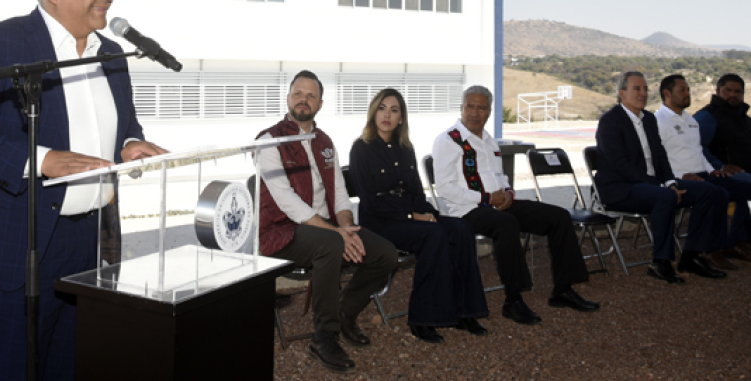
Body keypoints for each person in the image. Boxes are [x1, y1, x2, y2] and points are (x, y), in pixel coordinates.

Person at [0, 0, 166, 381]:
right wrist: (41, 160)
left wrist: (129, 144)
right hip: (23, 238)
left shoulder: (111, 54)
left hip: (89, 238)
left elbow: (125, 124)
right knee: (18, 369)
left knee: (73, 364)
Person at [256, 70, 397, 373]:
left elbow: (340, 194)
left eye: (311, 95)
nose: (303, 100)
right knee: (331, 244)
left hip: (329, 230)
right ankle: (323, 337)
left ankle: (344, 313)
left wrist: (345, 227)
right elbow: (287, 202)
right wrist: (337, 233)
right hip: (281, 232)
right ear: (288, 98)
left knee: (385, 254)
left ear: (320, 104)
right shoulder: (269, 141)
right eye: (298, 93)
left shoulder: (325, 142)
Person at [433, 85, 599, 326]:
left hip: (498, 205)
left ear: (489, 112)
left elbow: (500, 177)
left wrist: (508, 194)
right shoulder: (448, 140)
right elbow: (445, 188)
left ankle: (563, 290)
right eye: (470, 106)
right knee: (507, 224)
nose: (475, 112)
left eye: (481, 108)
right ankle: (513, 300)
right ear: (461, 108)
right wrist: (486, 199)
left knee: (559, 217)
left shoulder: (489, 141)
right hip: (467, 210)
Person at [349, 88, 488, 344]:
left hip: (410, 216)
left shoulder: (405, 148)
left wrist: (429, 213)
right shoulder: (361, 148)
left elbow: (415, 190)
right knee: (432, 235)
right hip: (380, 222)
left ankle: (465, 312)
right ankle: (423, 318)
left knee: (460, 228)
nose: (387, 115)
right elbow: (371, 201)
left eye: (394, 110)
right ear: (373, 113)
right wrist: (412, 216)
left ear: (401, 117)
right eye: (382, 109)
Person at [595, 72, 729, 284]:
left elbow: (660, 156)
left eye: (645, 89)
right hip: (620, 188)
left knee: (711, 192)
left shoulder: (649, 119)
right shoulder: (610, 121)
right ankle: (661, 262)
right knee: (665, 197)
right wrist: (661, 186)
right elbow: (619, 164)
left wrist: (670, 182)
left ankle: (691, 256)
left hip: (652, 186)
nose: (643, 93)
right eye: (636, 89)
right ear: (622, 93)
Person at [656, 74, 751, 268]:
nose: (687, 94)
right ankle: (708, 251)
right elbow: (657, 157)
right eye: (682, 90)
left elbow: (698, 150)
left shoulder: (690, 120)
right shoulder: (659, 121)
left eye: (688, 90)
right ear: (667, 93)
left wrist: (713, 169)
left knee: (743, 188)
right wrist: (680, 176)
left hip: (703, 174)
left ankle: (733, 242)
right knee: (717, 193)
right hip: (678, 178)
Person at [695, 73, 751, 179]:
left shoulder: (745, 119)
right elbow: (697, 145)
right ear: (718, 91)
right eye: (728, 90)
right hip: (724, 175)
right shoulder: (708, 116)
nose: (733, 95)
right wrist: (721, 166)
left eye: (737, 91)